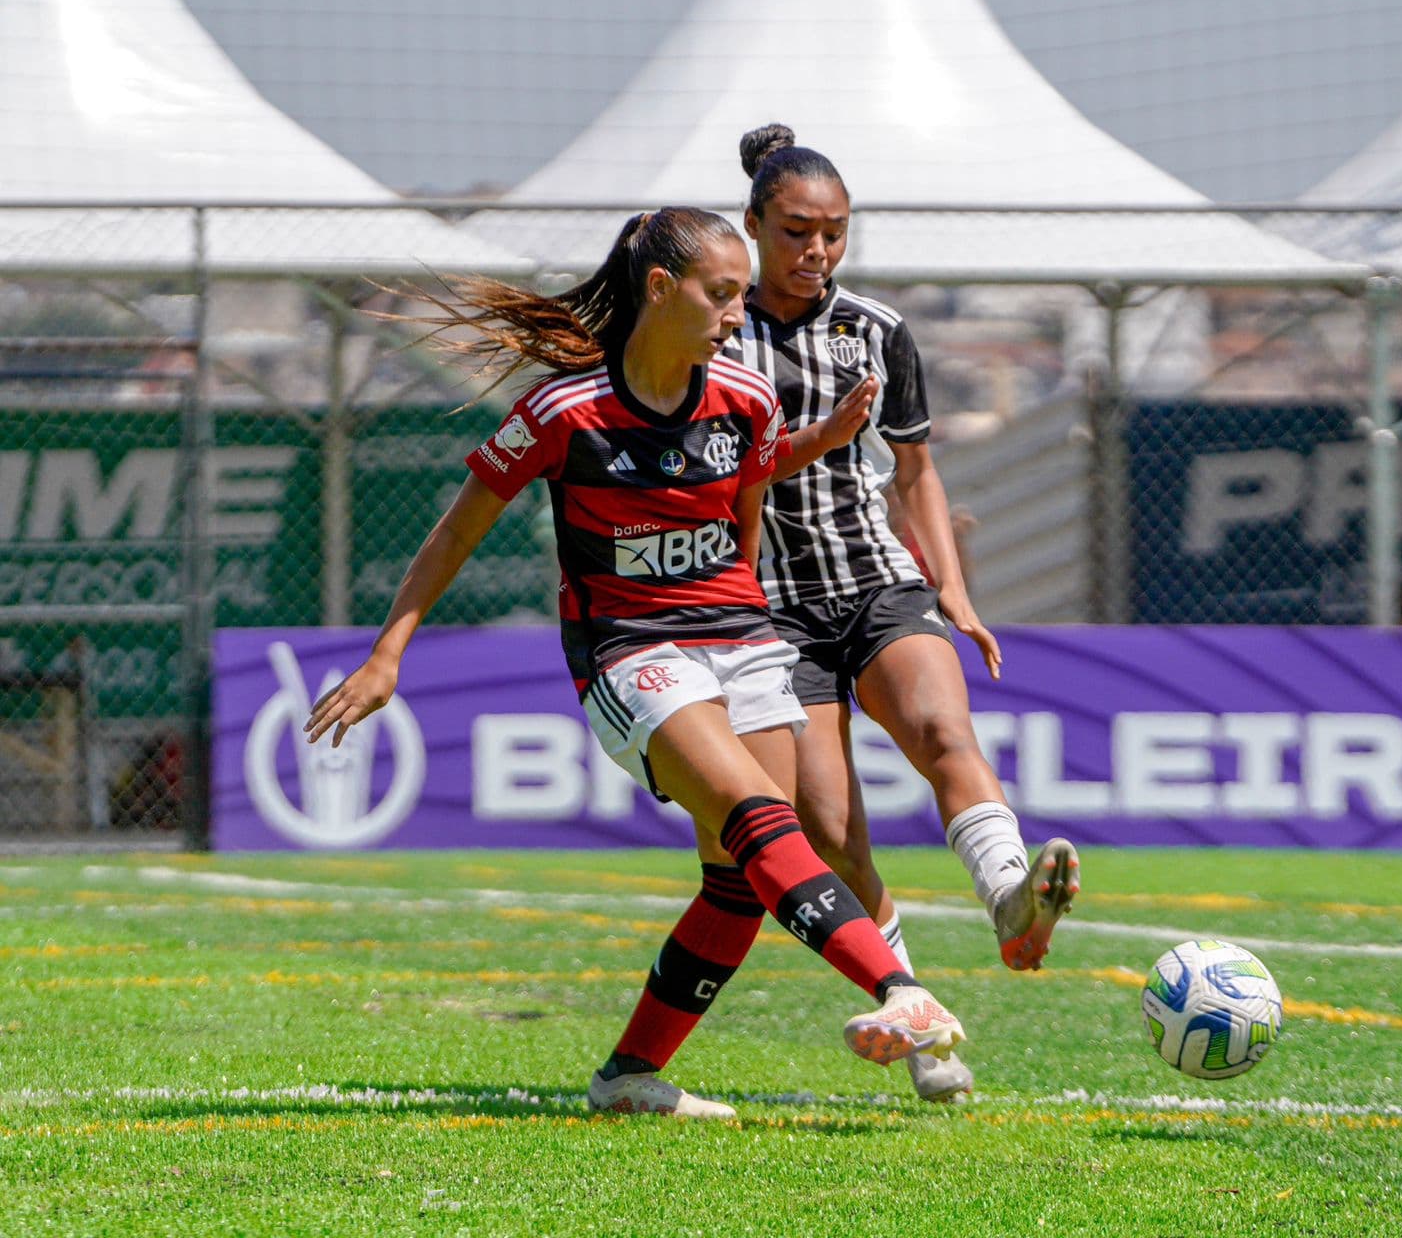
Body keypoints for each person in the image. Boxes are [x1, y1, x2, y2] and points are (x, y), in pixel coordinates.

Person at [301, 207, 965, 1119]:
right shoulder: (562, 411)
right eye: (721, 294)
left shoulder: (747, 397)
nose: (736, 314)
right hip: (632, 650)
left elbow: (744, 515)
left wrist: (746, 625)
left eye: (740, 296)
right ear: (660, 288)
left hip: (741, 639)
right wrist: (387, 656)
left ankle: (627, 1077)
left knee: (738, 883)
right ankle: (902, 990)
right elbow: (455, 532)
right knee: (760, 818)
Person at [725, 125, 1081, 1102]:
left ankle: (1011, 897)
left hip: (879, 580)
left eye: (835, 232)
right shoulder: (713, 335)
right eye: (797, 231)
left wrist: (951, 585)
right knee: (832, 830)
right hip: (772, 610)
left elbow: (916, 470)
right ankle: (919, 1018)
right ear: (752, 225)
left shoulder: (877, 328)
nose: (818, 250)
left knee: (942, 730)